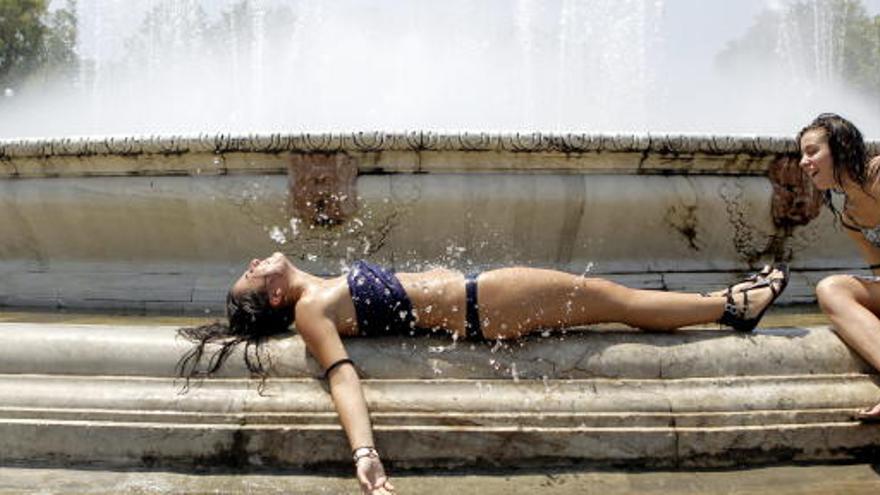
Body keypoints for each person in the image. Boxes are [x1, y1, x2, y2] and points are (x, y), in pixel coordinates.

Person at [178, 252, 788, 494]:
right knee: (615, 300)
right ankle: (733, 305)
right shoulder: (313, 308)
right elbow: (341, 374)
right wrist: (365, 453)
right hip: (488, 301)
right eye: (253, 274)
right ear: (276, 299)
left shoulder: (317, 293)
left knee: (611, 302)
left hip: (483, 304)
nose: (258, 262)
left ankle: (725, 301)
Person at [798, 112, 880, 421]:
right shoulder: (850, 216)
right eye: (801, 155)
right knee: (832, 289)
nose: (803, 162)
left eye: (811, 151)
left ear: (841, 146)